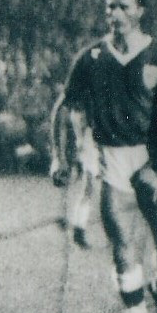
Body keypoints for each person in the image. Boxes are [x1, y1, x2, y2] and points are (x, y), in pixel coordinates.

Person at [58, 0, 157, 313]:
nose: (114, 14)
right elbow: (68, 104)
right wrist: (64, 151)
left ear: (140, 11)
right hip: (112, 164)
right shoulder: (90, 59)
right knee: (123, 253)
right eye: (110, 8)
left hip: (154, 163)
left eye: (122, 7)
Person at [49, 96, 98, 249]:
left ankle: (78, 228)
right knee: (89, 188)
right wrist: (60, 156)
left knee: (89, 188)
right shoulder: (74, 103)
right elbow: (62, 124)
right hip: (90, 138)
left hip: (89, 138)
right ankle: (79, 229)